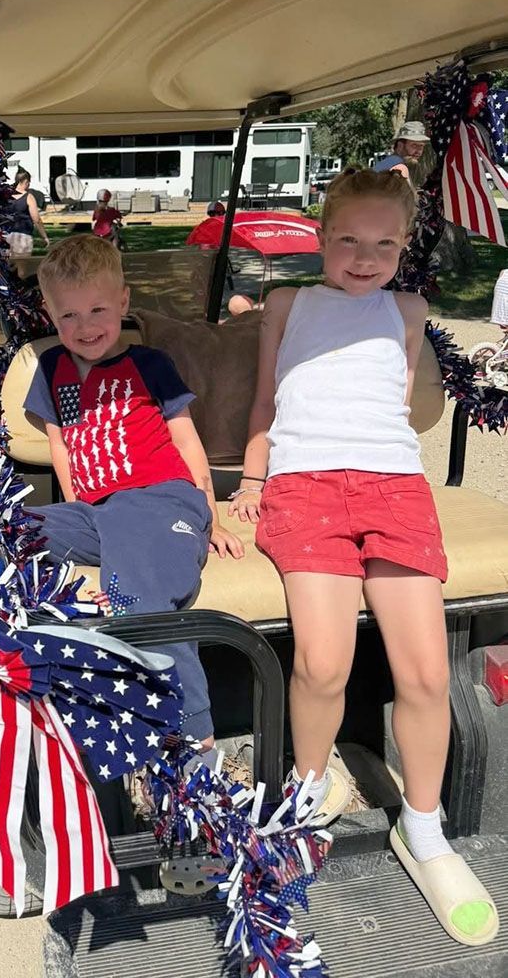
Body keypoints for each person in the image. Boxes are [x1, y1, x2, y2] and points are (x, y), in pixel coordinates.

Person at [230, 168, 498, 947]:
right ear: (321, 238)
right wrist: (252, 477)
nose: (362, 256)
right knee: (322, 664)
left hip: (394, 489)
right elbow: (267, 399)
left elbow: (389, 407)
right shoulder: (288, 304)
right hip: (306, 487)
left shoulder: (408, 310)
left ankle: (423, 825)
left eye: (383, 243)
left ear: (404, 247)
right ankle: (309, 795)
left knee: (423, 672)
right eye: (347, 239)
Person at [24, 235, 244, 750]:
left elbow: (186, 441)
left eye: (98, 309)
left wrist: (209, 514)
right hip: (99, 512)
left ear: (123, 302)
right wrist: (78, 506)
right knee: (6, 532)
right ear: (50, 315)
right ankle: (40, 691)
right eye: (69, 316)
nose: (85, 327)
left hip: (162, 496)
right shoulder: (53, 368)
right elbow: (62, 447)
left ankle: (192, 737)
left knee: (137, 596)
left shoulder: (149, 363)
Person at [6, 166, 49, 255]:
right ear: (25, 182)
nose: (29, 185)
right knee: (22, 266)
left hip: (6, 235)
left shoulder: (6, 195)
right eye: (29, 182)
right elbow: (36, 219)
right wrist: (44, 236)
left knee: (8, 266)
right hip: (23, 236)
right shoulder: (29, 197)